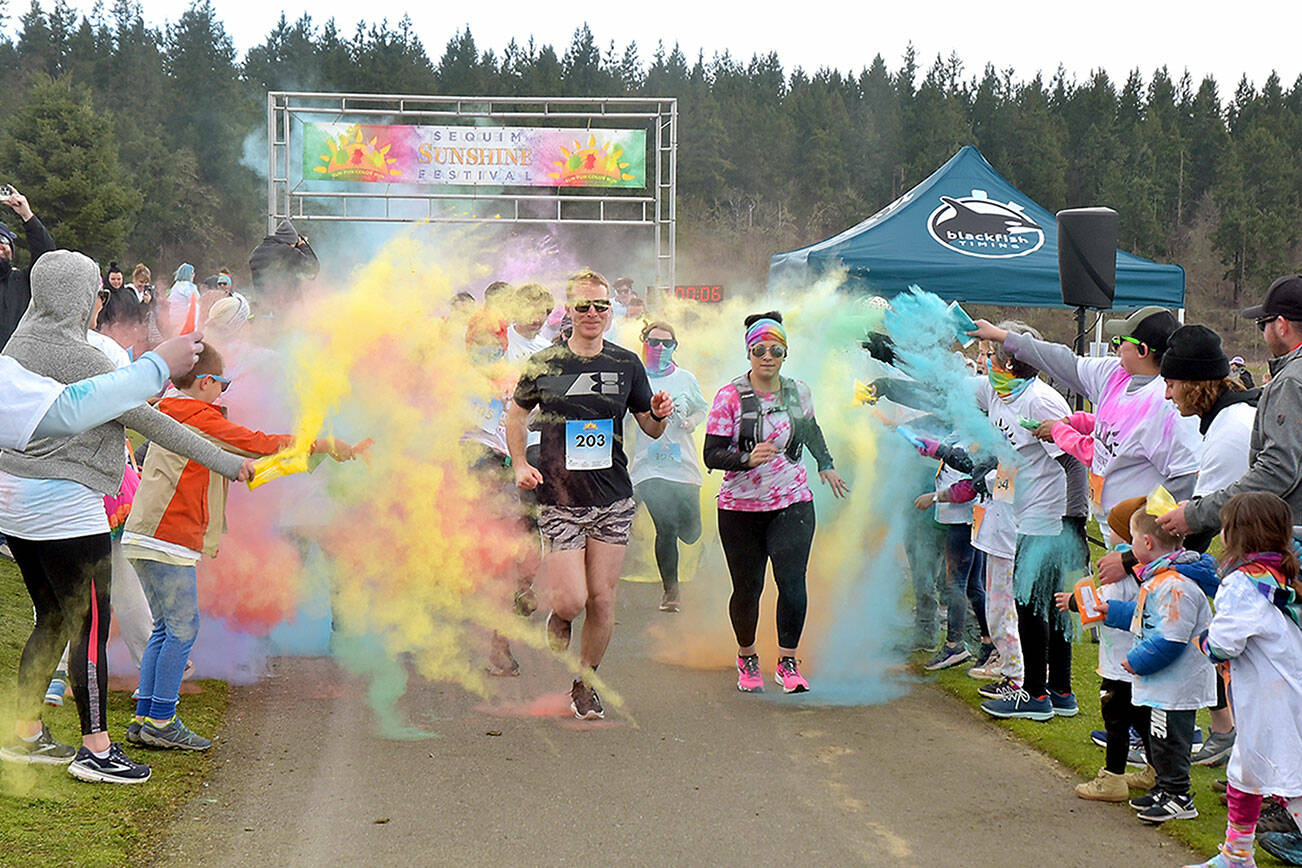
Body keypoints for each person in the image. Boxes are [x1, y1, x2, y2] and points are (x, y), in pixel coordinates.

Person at [0, 251, 251, 783]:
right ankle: (96, 748)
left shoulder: (17, 345)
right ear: (75, 298)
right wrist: (229, 462)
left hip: (17, 510)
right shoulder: (83, 359)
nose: (100, 303)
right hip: (68, 511)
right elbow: (153, 423)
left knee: (50, 618)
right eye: (95, 294)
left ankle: (24, 734)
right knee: (89, 629)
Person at [123, 343, 357, 749]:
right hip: (169, 535)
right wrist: (320, 444)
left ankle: (146, 715)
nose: (224, 393)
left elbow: (249, 460)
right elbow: (256, 444)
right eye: (223, 385)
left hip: (148, 533)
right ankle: (160, 720)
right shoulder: (194, 414)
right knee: (182, 629)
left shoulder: (172, 409)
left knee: (165, 628)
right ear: (206, 382)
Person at [506, 269, 675, 720]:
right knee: (572, 601)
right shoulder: (545, 363)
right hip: (561, 499)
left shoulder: (625, 364)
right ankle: (559, 618)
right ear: (569, 310)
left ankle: (585, 683)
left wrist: (659, 414)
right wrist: (521, 464)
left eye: (602, 306)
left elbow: (651, 429)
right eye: (584, 306)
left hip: (613, 498)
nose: (593, 314)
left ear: (610, 312)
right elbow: (515, 415)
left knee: (603, 598)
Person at [703, 311, 849, 695]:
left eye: (776, 350)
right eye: (760, 349)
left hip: (792, 501)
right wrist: (745, 459)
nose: (767, 356)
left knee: (791, 580)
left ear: (785, 353)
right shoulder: (729, 396)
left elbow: (811, 429)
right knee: (748, 587)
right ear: (749, 352)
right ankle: (747, 656)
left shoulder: (798, 391)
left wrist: (826, 465)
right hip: (740, 508)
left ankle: (787, 662)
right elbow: (711, 454)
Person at [970, 307, 1200, 520]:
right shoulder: (1115, 372)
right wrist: (1002, 337)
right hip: (1114, 525)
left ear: (1143, 350)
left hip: (1143, 536)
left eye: (1121, 341)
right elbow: (1062, 361)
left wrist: (1147, 528)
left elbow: (1185, 478)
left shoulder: (1167, 406)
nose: (1116, 347)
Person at [1182, 493, 1302, 868]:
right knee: (1246, 773)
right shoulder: (1282, 576)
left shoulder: (1244, 584)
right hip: (1279, 688)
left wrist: (1205, 641)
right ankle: (1236, 854)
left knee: (1290, 780)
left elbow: (1223, 642)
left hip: (1271, 697)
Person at [970, 323, 1079, 722]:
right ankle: (1061, 692)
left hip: (1047, 517)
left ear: (1010, 360)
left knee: (1033, 605)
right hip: (1025, 513)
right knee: (1044, 605)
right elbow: (944, 385)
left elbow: (1072, 462)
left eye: (989, 353)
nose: (983, 360)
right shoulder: (997, 392)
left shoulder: (1040, 402)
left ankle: (1036, 695)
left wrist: (1074, 523)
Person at [1162, 324, 1260, 765]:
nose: (1167, 395)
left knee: (1217, 637)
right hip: (1251, 554)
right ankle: (1231, 733)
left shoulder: (1229, 428)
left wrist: (1146, 559)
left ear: (1196, 385)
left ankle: (1235, 738)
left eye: (1172, 383)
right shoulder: (1224, 418)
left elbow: (1207, 520)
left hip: (1257, 561)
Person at [1097, 506, 1216, 824]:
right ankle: (1165, 789)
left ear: (1147, 543)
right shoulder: (1158, 579)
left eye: (1133, 540)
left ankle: (1179, 796)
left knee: (1171, 741)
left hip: (1177, 684)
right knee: (1158, 739)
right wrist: (1111, 611)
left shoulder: (1174, 586)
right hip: (1164, 684)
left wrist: (1135, 661)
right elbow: (1141, 616)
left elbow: (1170, 639)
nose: (1129, 549)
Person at [1161, 275, 1302, 538]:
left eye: (1263, 324)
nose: (1262, 333)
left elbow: (1277, 471)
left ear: (1281, 325)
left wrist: (1194, 515)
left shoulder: (1291, 381)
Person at [0, 332, 206, 452]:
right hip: (73, 508)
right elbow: (68, 412)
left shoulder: (18, 343)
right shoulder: (101, 352)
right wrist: (158, 365)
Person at [628, 321, 708, 612]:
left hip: (683, 465)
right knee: (667, 526)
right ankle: (670, 591)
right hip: (649, 466)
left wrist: (692, 421)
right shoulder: (635, 377)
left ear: (675, 347)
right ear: (644, 342)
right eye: (654, 342)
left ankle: (699, 551)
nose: (660, 348)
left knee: (690, 532)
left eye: (667, 344)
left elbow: (701, 408)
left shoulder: (686, 378)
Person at [0, 185, 56, 350]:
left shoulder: (22, 280)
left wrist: (27, 215)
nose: (0, 246)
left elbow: (47, 256)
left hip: (17, 365)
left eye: (4, 241)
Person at [248, 219, 318, 304]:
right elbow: (312, 269)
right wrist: (302, 245)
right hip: (285, 307)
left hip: (263, 304)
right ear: (290, 241)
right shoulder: (286, 251)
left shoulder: (256, 251)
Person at [504, 283, 556, 362]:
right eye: (530, 313)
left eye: (540, 313)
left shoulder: (547, 348)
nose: (536, 320)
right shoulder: (500, 342)